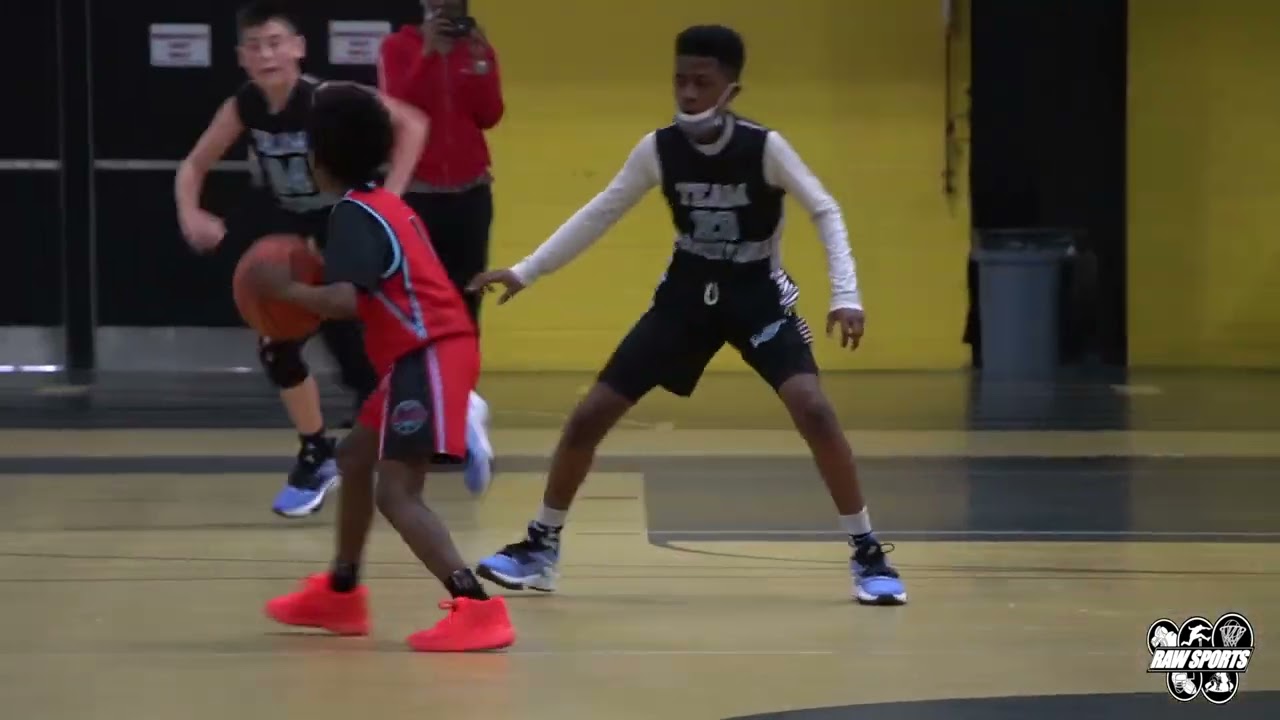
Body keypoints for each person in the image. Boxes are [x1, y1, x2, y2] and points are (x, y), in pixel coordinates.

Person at [468, 25, 907, 606]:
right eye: (680, 80)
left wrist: (846, 295)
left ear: (731, 89)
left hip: (755, 292)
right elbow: (602, 210)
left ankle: (868, 552)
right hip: (687, 294)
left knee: (815, 410)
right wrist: (527, 271)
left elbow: (825, 209)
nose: (689, 93)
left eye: (702, 82)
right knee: (590, 414)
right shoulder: (658, 149)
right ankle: (539, 547)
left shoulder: (764, 147)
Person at [175, 2, 491, 517]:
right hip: (298, 230)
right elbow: (192, 165)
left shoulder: (326, 97)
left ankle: (454, 410)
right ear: (241, 57)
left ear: (299, 48)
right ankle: (317, 451)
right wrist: (191, 212)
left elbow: (413, 122)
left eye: (275, 43)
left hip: (347, 221)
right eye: (255, 46)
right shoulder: (245, 106)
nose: (266, 54)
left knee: (367, 350)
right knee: (278, 343)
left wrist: (389, 198)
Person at [256, 82, 516, 651]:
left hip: (429, 354)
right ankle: (341, 593)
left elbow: (347, 300)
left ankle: (477, 608)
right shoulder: (384, 204)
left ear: (319, 158)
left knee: (397, 493)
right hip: (425, 354)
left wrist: (287, 291)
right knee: (354, 457)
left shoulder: (354, 214)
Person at [378, 0, 503, 494]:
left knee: (466, 306)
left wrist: (480, 62)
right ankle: (420, 420)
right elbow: (396, 110)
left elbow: (490, 114)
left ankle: (459, 423)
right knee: (423, 309)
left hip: (471, 193)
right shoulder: (398, 47)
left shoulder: (477, 48)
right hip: (420, 195)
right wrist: (428, 54)